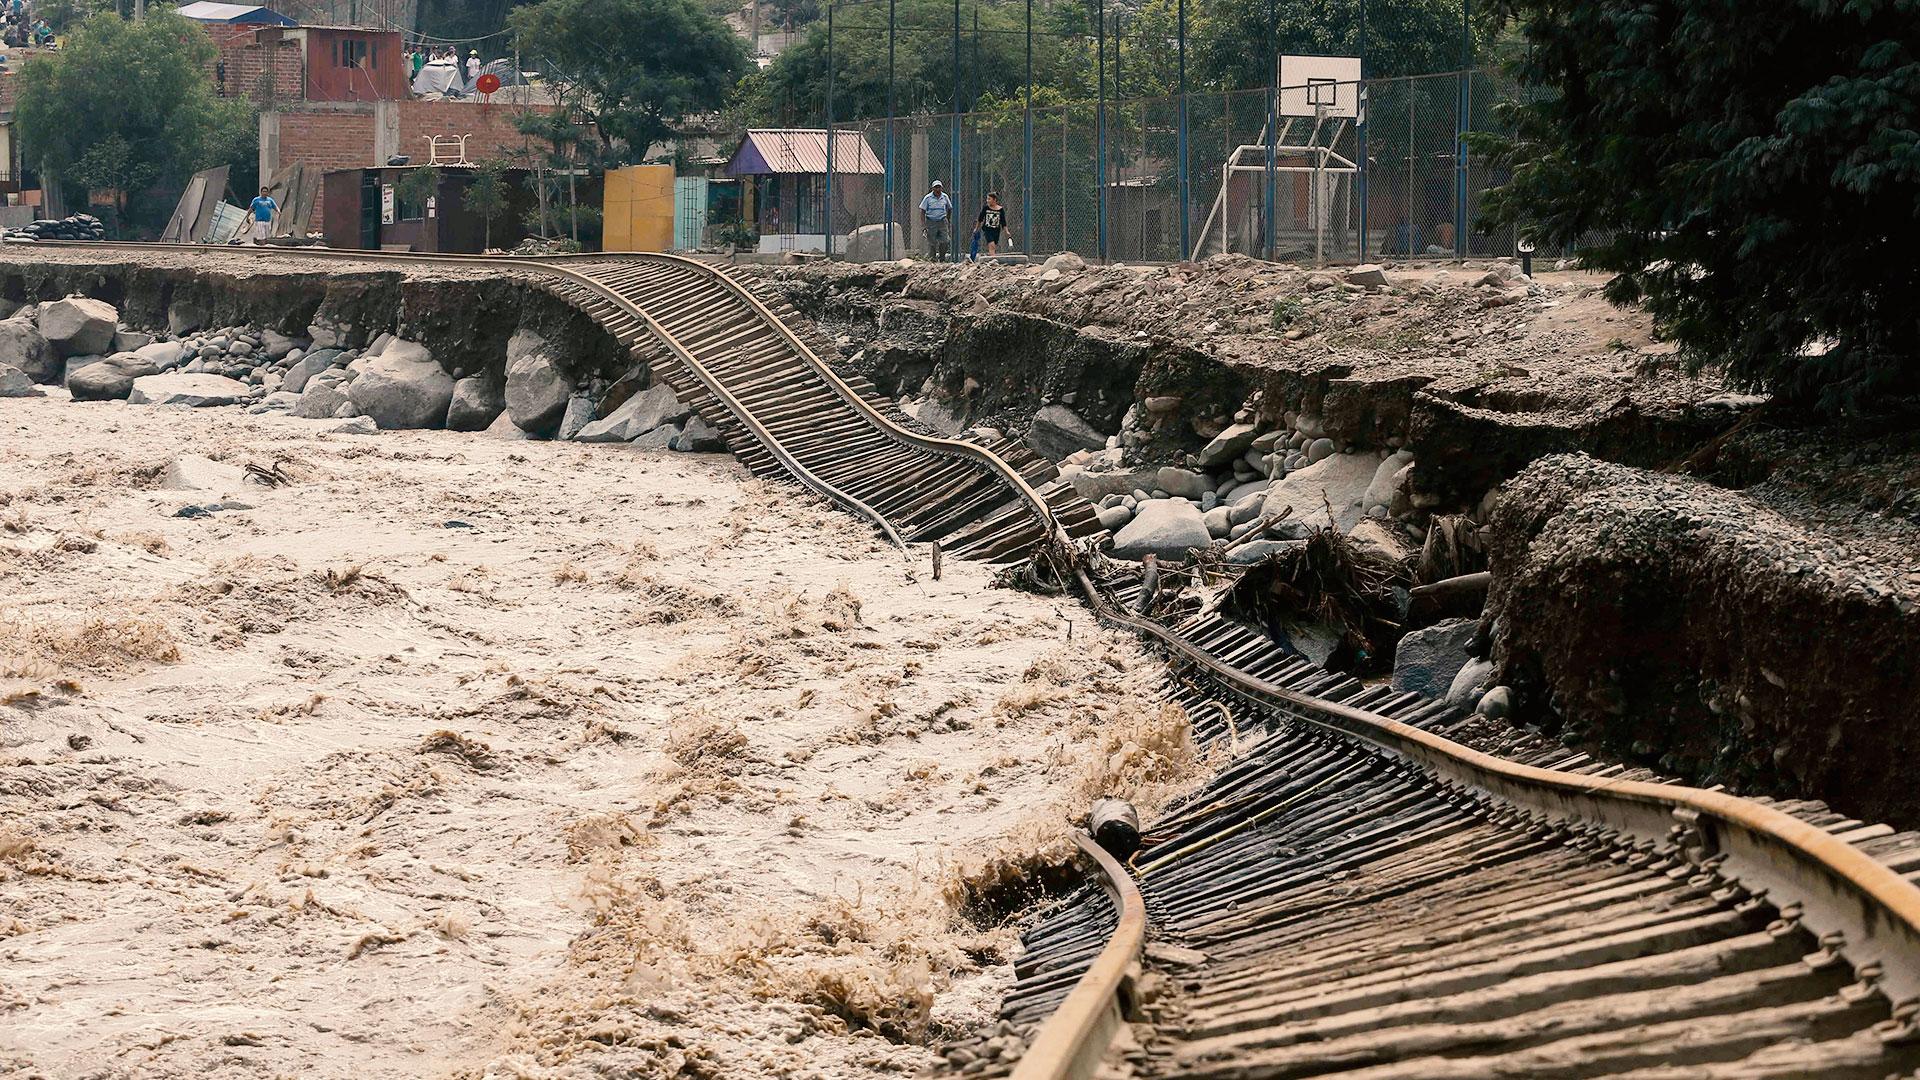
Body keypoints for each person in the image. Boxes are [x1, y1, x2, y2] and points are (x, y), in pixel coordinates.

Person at [919, 180, 953, 262]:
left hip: (942, 221)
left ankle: (942, 258)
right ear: (932, 189)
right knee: (932, 242)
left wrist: (947, 219)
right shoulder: (928, 198)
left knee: (945, 241)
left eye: (939, 187)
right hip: (931, 221)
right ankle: (933, 259)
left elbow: (949, 208)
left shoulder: (944, 197)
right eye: (936, 188)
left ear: (942, 188)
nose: (938, 190)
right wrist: (924, 225)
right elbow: (922, 211)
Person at [972, 190, 1005, 258]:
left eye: (989, 199)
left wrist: (1006, 231)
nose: (987, 200)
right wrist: (976, 228)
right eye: (987, 199)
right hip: (987, 229)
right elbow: (980, 219)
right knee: (991, 244)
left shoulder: (1000, 209)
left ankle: (992, 256)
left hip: (996, 230)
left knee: (994, 245)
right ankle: (993, 259)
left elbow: (1003, 221)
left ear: (994, 199)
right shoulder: (986, 208)